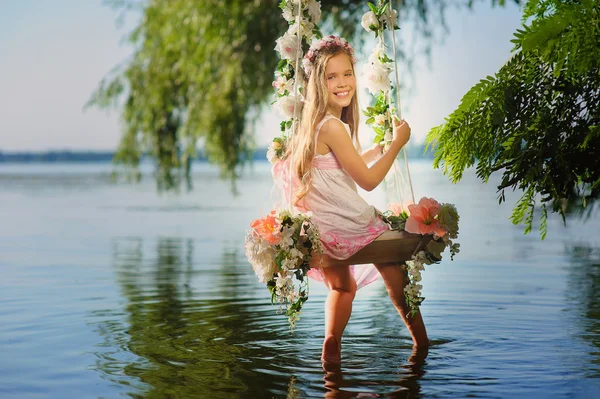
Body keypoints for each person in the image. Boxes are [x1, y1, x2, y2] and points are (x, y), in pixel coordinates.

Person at [279, 35, 429, 363]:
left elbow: (338, 166)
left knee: (344, 288)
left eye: (347, 73)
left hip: (321, 230)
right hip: (345, 224)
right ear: (318, 82)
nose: (342, 83)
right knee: (393, 266)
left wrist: (375, 150)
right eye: (331, 76)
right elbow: (369, 181)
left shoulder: (313, 124)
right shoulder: (333, 126)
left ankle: (331, 346)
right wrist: (397, 145)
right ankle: (422, 345)